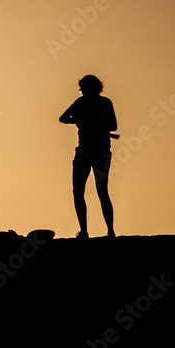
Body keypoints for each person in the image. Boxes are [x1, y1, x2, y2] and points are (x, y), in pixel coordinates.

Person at [59, 75, 117, 239]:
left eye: (84, 88)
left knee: (100, 191)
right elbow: (63, 118)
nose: (83, 91)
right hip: (86, 151)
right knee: (79, 191)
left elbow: (113, 125)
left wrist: (86, 121)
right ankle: (85, 231)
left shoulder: (103, 103)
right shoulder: (82, 103)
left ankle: (109, 231)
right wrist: (78, 120)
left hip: (98, 152)